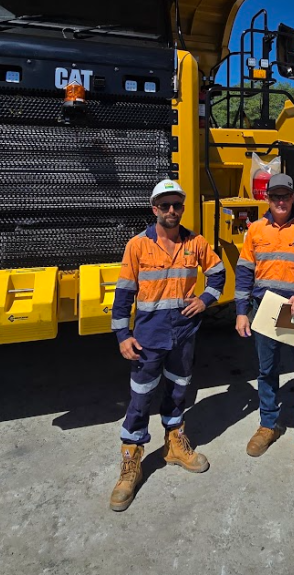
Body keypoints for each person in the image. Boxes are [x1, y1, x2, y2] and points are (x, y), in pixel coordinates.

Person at [108, 179, 226, 512]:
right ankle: (131, 459)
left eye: (177, 205)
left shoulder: (196, 243)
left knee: (178, 390)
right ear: (154, 208)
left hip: (184, 334)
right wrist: (122, 335)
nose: (171, 211)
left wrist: (204, 300)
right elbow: (124, 295)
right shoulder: (137, 246)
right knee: (141, 396)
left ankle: (174, 442)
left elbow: (218, 275)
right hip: (148, 337)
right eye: (165, 205)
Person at [234, 173, 294, 473]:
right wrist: (241, 311)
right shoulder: (256, 230)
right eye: (275, 196)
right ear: (267, 198)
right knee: (266, 371)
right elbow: (244, 273)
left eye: (285, 196)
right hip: (263, 309)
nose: (280, 201)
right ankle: (268, 424)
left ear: (293, 198)